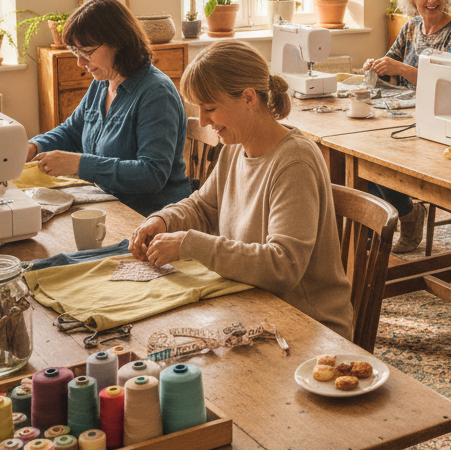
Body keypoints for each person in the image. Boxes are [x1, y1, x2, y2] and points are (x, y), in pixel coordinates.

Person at [130, 40, 353, 339]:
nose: (203, 121)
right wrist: (164, 220)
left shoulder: (295, 162)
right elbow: (202, 207)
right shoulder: (236, 148)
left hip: (308, 326)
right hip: (253, 306)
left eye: (210, 108)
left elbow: (283, 266)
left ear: (248, 98)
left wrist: (189, 244)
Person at [27, 0, 191, 217]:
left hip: (153, 217)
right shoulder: (102, 84)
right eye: (76, 52)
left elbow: (152, 174)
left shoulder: (157, 93)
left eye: (87, 52)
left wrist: (79, 164)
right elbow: (72, 132)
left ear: (118, 42)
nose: (80, 63)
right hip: (111, 205)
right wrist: (34, 146)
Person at [363, 0, 451, 253]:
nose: (432, 0)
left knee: (377, 159)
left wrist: (400, 68)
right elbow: (390, 62)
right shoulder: (411, 27)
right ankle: (384, 220)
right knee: (361, 158)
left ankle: (408, 214)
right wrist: (375, 66)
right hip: (407, 117)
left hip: (443, 122)